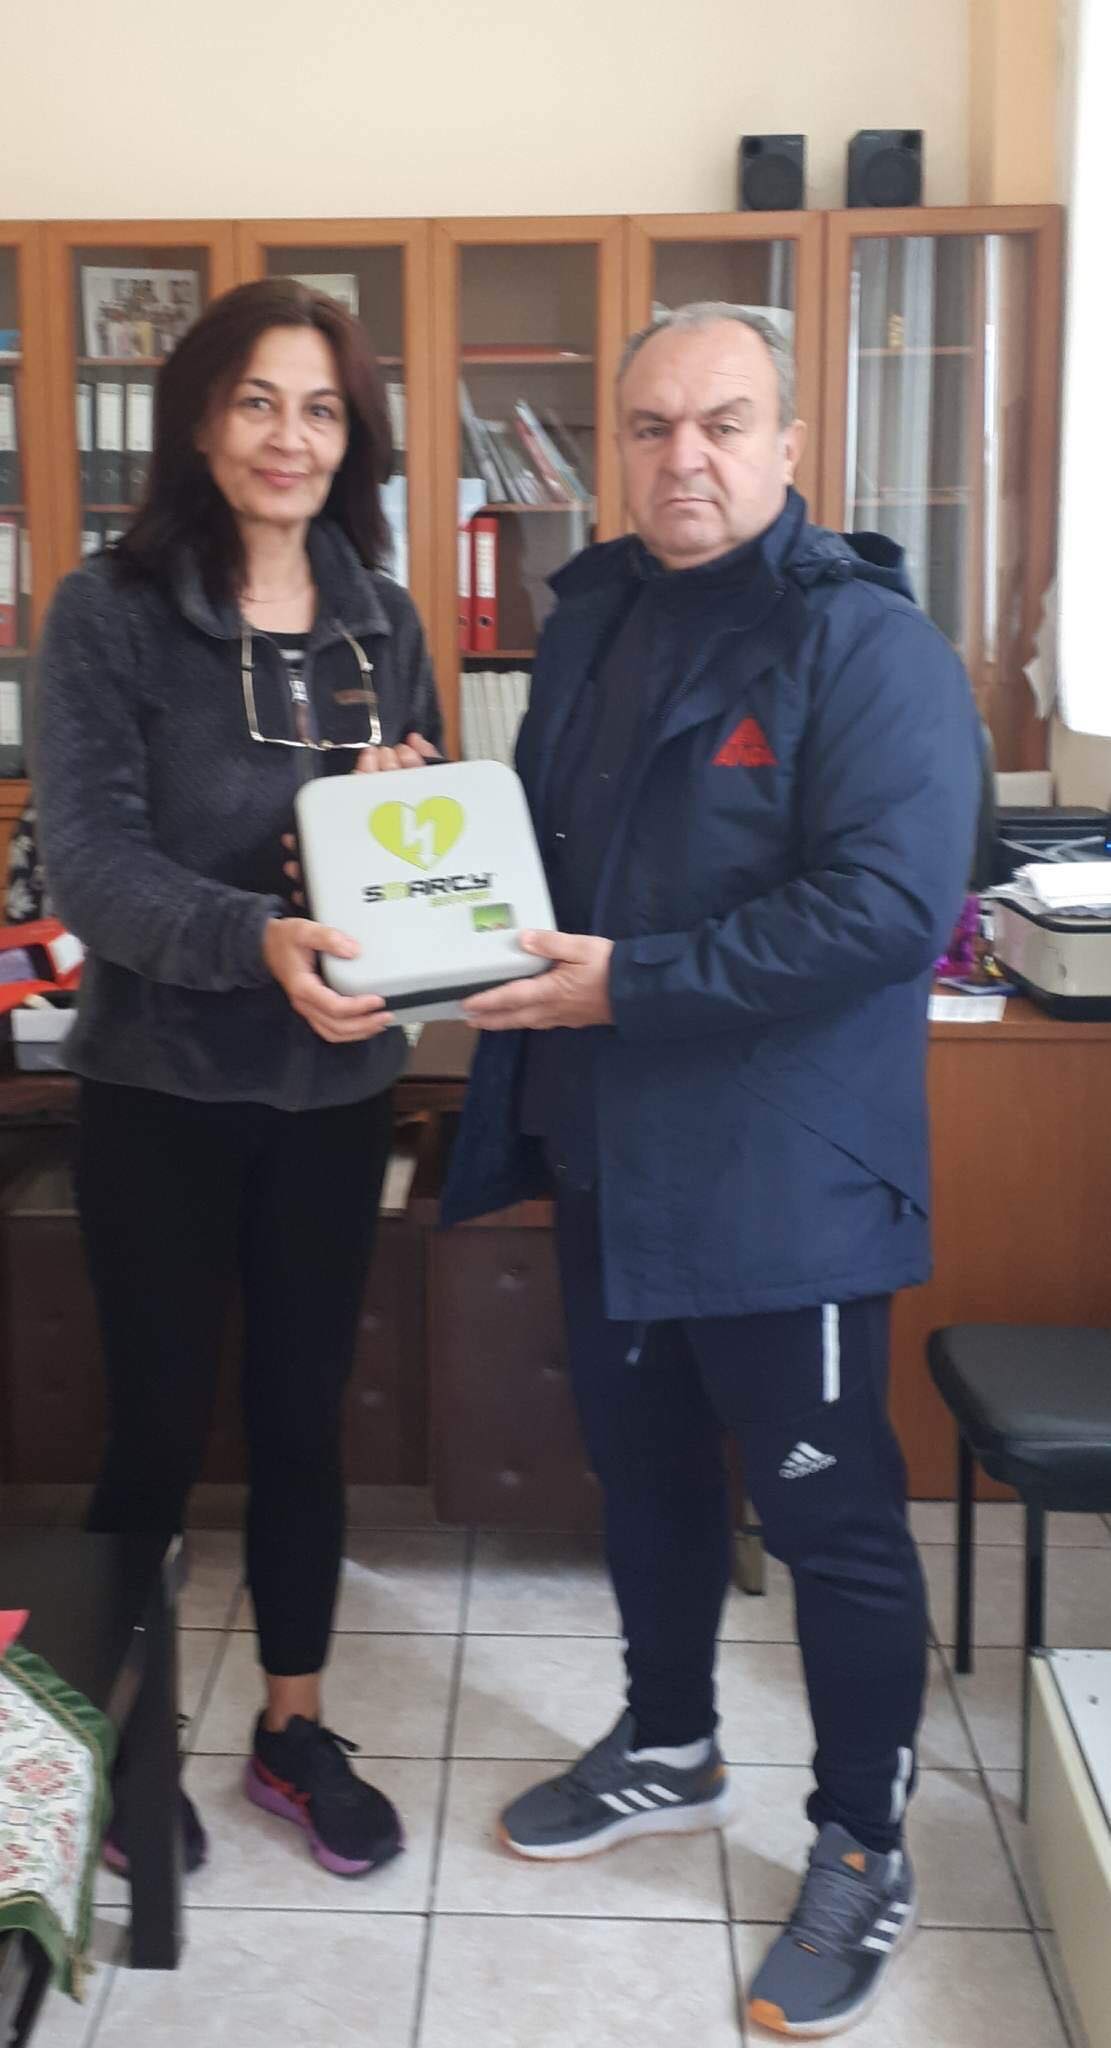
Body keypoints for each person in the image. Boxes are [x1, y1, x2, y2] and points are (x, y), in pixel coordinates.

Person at [443, 302, 982, 2038]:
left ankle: (863, 1842)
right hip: (610, 1147)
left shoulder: (868, 644)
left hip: (781, 1178)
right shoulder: (593, 618)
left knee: (829, 1520)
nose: (685, 457)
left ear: (792, 444)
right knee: (649, 1477)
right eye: (652, 426)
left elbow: (885, 911)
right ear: (619, 444)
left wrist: (636, 982)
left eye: (724, 423)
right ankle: (669, 1743)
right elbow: (546, 862)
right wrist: (416, 828)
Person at [35, 278, 441, 1882]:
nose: (291, 436)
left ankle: (293, 1726)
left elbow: (400, 851)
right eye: (259, 400)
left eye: (322, 407)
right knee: (148, 1432)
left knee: (300, 1425)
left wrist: (401, 817)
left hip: (331, 1098)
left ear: (354, 437)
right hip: (159, 1093)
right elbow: (95, 868)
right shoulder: (108, 613)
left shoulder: (382, 618)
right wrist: (259, 936)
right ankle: (113, 1741)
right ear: (201, 419)